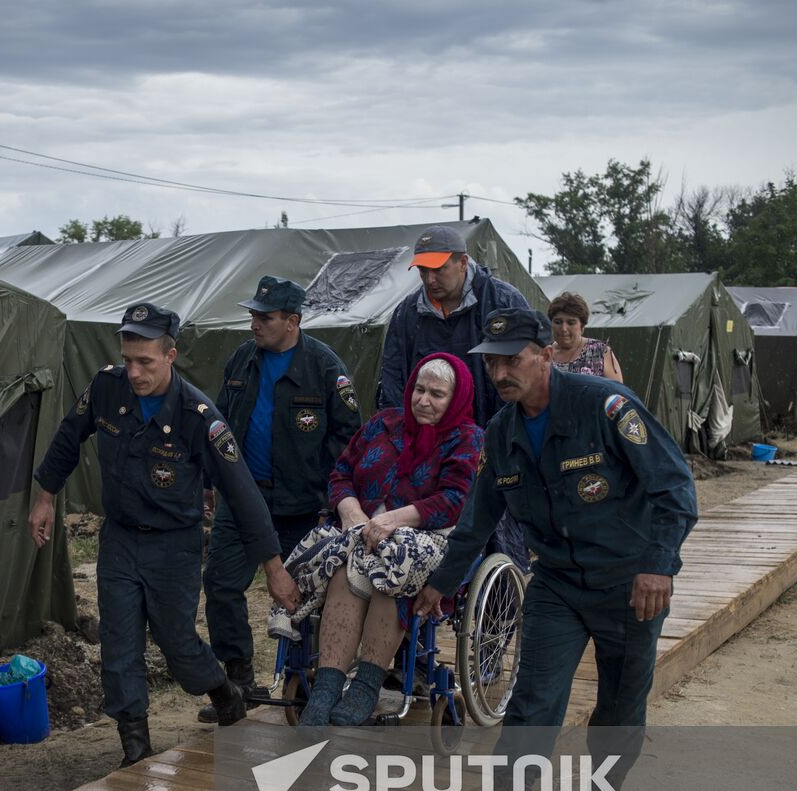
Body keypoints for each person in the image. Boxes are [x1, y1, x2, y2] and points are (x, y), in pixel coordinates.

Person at [412, 306, 697, 791]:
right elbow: (476, 520)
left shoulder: (606, 407)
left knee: (620, 704)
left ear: (546, 353)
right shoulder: (503, 432)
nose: (499, 374)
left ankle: (606, 789)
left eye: (512, 360)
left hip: (630, 582)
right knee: (532, 706)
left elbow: (674, 487)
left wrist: (658, 566)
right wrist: (439, 586)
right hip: (558, 585)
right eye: (491, 363)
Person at [29, 301, 300, 767]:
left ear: (170, 356)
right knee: (119, 645)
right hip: (119, 539)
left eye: (145, 362)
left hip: (174, 545)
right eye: (128, 359)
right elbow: (68, 436)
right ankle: (135, 749)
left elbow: (241, 491)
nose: (134, 372)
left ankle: (222, 690)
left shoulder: (199, 416)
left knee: (177, 644)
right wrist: (45, 497)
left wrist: (273, 568)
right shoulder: (106, 387)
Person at [267, 353, 481, 726]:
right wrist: (352, 513)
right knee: (345, 573)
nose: (423, 400)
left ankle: (367, 685)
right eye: (419, 389)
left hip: (427, 538)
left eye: (437, 394)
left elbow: (453, 501)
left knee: (389, 569)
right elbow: (341, 473)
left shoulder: (466, 438)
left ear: (455, 398)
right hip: (362, 530)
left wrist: (392, 521)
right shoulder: (384, 423)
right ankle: (328, 687)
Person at [197, 276, 364, 723]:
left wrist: (328, 494)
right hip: (242, 499)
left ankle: (308, 679)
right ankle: (238, 683)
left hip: (301, 506)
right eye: (252, 315)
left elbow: (350, 440)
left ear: (292, 321)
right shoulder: (241, 359)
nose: (254, 324)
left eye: (264, 317)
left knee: (305, 598)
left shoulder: (326, 368)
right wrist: (212, 480)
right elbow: (217, 424)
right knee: (221, 585)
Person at [377, 225, 534, 425]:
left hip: (493, 435)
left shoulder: (503, 302)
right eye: (423, 271)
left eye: (438, 269)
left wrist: (503, 435)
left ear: (462, 262)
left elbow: (528, 374)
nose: (429, 279)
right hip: (426, 439)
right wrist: (401, 435)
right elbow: (392, 380)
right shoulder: (407, 312)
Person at [548, 291, 624, 381]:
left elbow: (618, 392)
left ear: (582, 326)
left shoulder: (599, 352)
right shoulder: (544, 354)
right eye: (558, 322)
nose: (563, 328)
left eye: (571, 323)